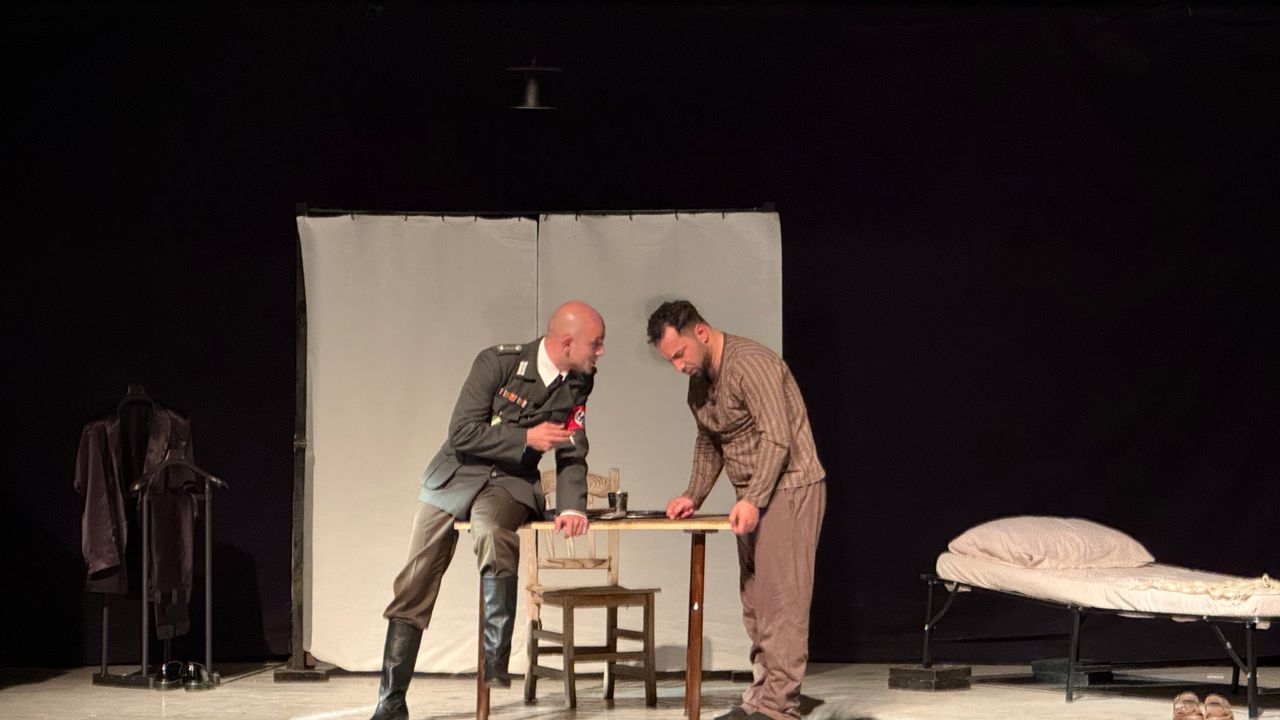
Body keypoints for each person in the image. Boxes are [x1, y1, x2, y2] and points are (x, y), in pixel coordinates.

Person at [368, 301, 606, 720]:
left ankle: (495, 659)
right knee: (414, 581)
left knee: (491, 531)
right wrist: (525, 437)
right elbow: (461, 432)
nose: (600, 352)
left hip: (509, 483)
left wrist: (572, 507)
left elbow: (571, 450)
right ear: (568, 343)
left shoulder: (579, 382)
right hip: (455, 475)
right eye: (596, 343)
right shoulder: (498, 363)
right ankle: (391, 702)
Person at [647, 299, 826, 720]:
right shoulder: (699, 382)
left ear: (701, 332)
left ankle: (779, 707)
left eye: (680, 354)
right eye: (670, 361)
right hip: (753, 496)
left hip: (789, 487)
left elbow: (777, 438)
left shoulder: (751, 364)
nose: (679, 366)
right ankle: (760, 698)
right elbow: (709, 439)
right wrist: (693, 494)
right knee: (755, 601)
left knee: (781, 602)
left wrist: (754, 498)